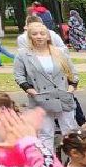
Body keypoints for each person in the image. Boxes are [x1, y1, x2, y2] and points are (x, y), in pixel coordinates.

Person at [13, 23, 78, 151]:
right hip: (40, 97)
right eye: (35, 34)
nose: (39, 37)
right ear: (30, 37)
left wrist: (71, 88)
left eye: (42, 34)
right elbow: (19, 75)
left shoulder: (60, 52)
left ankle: (74, 162)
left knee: (70, 132)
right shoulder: (23, 55)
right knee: (45, 133)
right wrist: (29, 89)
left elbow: (72, 72)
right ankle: (48, 163)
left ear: (48, 36)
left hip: (62, 95)